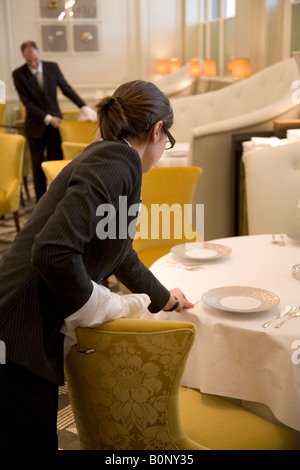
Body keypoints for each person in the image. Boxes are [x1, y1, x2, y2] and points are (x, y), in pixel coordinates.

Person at [0, 79, 194, 450]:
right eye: (165, 141)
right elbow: (53, 250)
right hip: (18, 328)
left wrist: (161, 298)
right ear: (157, 130)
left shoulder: (109, 156)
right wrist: (94, 309)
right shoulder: (117, 162)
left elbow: (119, 250)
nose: (163, 150)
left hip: (17, 322)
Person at [12, 40, 96, 202]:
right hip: (36, 125)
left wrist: (84, 107)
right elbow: (27, 102)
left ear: (39, 53)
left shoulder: (52, 67)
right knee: (37, 166)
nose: (33, 64)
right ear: (24, 58)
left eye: (35, 59)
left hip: (55, 127)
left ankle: (55, 199)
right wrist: (48, 118)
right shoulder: (18, 74)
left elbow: (66, 89)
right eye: (29, 61)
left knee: (56, 163)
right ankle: (40, 202)